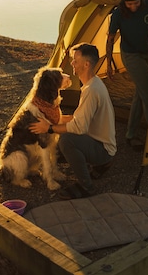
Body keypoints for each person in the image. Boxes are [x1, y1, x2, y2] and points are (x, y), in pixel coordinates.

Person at [29, 43, 116, 199]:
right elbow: (78, 118)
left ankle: (86, 186)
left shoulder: (91, 90)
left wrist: (48, 127)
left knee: (67, 140)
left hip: (103, 148)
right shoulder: (92, 84)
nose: (72, 64)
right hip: (100, 142)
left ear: (86, 64)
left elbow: (78, 127)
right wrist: (53, 121)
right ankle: (101, 164)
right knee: (63, 133)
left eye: (75, 60)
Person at [106, 0, 148, 150]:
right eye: (129, 3)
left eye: (136, 2)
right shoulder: (118, 13)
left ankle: (131, 134)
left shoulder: (147, 4)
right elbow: (109, 40)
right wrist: (109, 64)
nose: (133, 6)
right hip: (130, 55)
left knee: (141, 92)